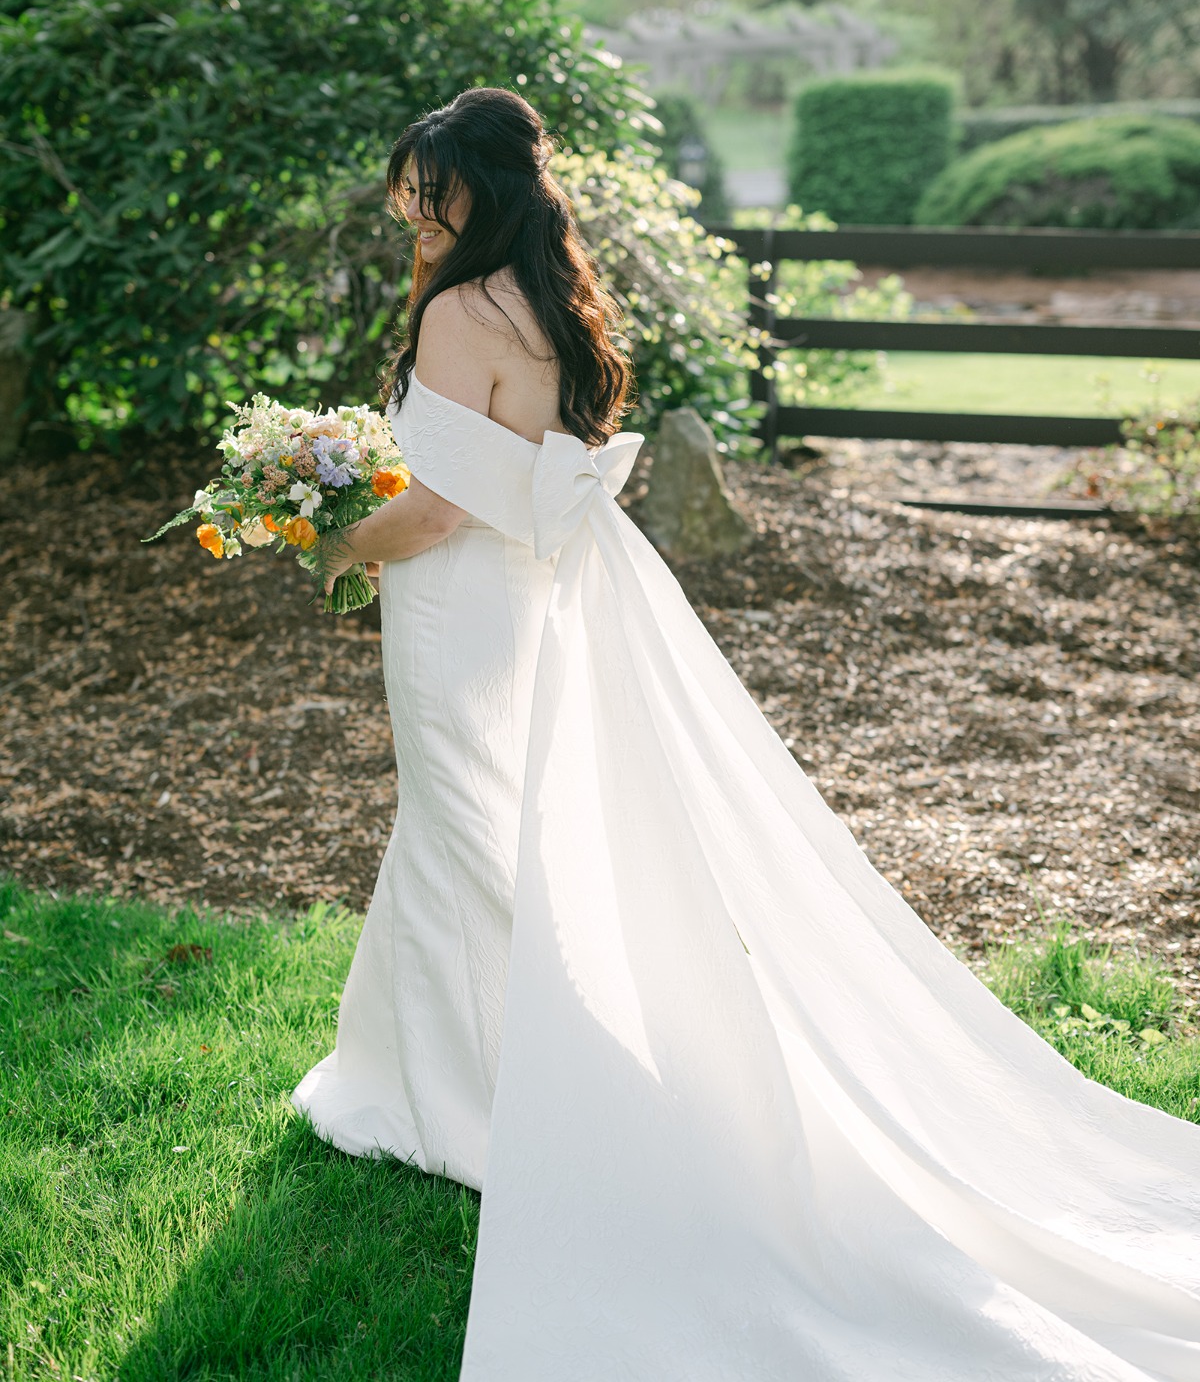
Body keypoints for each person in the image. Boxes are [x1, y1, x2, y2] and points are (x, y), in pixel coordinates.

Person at [291, 87, 1200, 1382]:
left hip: (454, 611)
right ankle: (427, 1080)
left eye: (428, 189)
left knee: (466, 840)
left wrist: (314, 533)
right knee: (460, 833)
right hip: (521, 601)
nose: (413, 211)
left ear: (469, 191)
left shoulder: (453, 311)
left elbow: (432, 509)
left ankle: (521, 1109)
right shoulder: (544, 302)